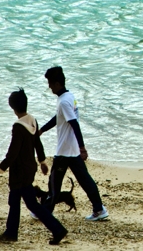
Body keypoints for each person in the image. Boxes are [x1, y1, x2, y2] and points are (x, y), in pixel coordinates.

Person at [0, 88, 68, 245]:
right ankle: (56, 229)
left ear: (12, 107)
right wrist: (42, 162)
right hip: (30, 168)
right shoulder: (32, 120)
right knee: (28, 203)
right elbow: (37, 142)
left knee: (17, 202)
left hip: (19, 171)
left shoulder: (18, 127)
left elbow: (13, 153)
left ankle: (13, 233)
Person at [38, 66, 109, 221]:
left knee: (54, 182)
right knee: (85, 180)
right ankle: (99, 209)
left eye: (50, 83)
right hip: (72, 149)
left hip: (65, 150)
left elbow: (74, 124)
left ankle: (44, 211)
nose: (49, 86)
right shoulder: (69, 97)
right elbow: (59, 118)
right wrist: (42, 130)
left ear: (57, 84)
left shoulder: (63, 101)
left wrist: (83, 148)